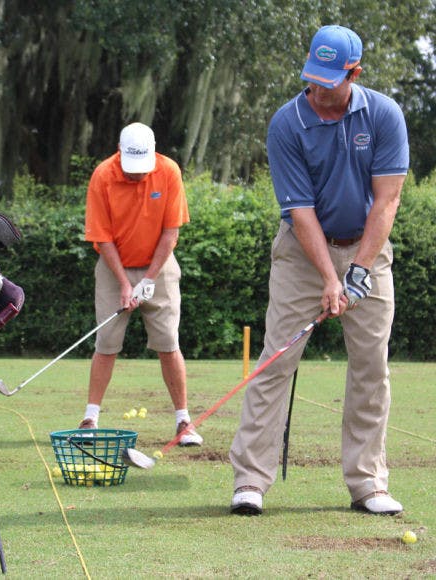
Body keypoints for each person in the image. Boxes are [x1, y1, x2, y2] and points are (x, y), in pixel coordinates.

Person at [229, 25, 409, 516]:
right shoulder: (287, 123)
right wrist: (331, 277)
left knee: (371, 367)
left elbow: (387, 199)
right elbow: (300, 211)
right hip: (303, 253)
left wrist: (359, 270)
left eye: (330, 79)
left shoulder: (385, 115)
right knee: (276, 360)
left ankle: (368, 483)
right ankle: (250, 480)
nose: (318, 89)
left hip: (368, 248)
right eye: (313, 77)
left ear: (355, 72)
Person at [78, 122, 202, 447]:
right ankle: (90, 417)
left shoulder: (168, 171)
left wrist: (148, 280)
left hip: (159, 267)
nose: (136, 176)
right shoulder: (103, 176)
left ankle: (183, 421)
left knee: (168, 342)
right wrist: (124, 283)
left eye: (141, 169)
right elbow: (102, 239)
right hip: (112, 266)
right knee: (106, 342)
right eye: (131, 170)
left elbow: (170, 232)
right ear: (120, 154)